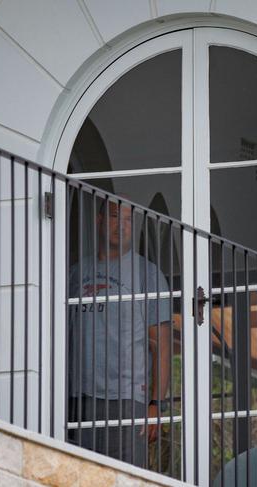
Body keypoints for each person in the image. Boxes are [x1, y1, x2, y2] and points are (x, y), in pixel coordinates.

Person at [67, 196, 172, 468]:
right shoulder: (75, 274)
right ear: (100, 220)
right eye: (115, 217)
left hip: (126, 400)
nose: (121, 226)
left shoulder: (147, 274)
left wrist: (155, 405)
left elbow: (161, 346)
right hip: (77, 398)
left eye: (128, 219)